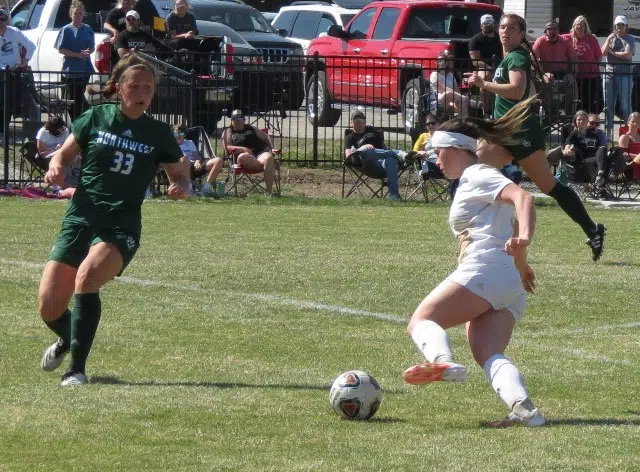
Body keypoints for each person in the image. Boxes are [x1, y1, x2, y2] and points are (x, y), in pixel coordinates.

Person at [37, 53, 190, 386]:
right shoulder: (96, 117)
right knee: (49, 306)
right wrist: (56, 167)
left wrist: (180, 185)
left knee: (87, 278)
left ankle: (76, 369)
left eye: (148, 87)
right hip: (80, 217)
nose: (142, 92)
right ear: (119, 87)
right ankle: (68, 338)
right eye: (134, 85)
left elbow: (179, 171)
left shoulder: (158, 132)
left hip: (121, 225)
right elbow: (64, 153)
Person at [402, 96, 545, 427]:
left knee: (421, 321)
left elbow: (522, 197)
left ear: (454, 148)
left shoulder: (478, 174)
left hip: (486, 268)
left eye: (438, 152)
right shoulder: (475, 178)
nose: (434, 159)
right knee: (487, 351)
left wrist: (524, 239)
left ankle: (442, 361)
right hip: (508, 280)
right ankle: (525, 410)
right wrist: (521, 262)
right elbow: (508, 223)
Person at [466, 13, 606, 261]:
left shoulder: (517, 56)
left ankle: (592, 229)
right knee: (480, 165)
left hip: (520, 132)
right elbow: (528, 91)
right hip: (506, 129)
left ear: (522, 34)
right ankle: (492, 234)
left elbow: (518, 89)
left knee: (548, 186)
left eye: (511, 27)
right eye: (501, 27)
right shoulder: (510, 57)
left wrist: (484, 84)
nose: (504, 31)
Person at [344, 111, 414, 200]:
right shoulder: (349, 138)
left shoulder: (373, 131)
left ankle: (393, 196)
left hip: (380, 164)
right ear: (351, 123)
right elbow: (348, 156)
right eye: (355, 120)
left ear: (365, 122)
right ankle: (400, 154)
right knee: (368, 151)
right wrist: (363, 148)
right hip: (366, 164)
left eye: (360, 119)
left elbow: (383, 148)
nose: (357, 121)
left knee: (391, 160)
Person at [55, 1, 95, 121]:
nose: (78, 16)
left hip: (84, 69)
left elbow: (92, 47)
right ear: (70, 14)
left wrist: (88, 52)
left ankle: (82, 121)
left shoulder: (88, 29)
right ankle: (78, 122)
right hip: (70, 70)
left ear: (84, 15)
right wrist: (77, 55)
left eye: (80, 13)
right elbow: (60, 49)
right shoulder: (66, 29)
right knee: (72, 100)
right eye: (75, 13)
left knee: (79, 98)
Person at [221, 109, 277, 195]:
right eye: (235, 118)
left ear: (244, 120)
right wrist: (243, 149)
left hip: (259, 153)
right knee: (243, 157)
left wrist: (272, 149)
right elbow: (227, 147)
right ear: (231, 120)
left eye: (240, 118)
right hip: (242, 157)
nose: (237, 120)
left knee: (269, 157)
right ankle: (266, 166)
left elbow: (266, 137)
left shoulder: (251, 128)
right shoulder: (228, 131)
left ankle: (268, 193)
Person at [0, 8, 36, 133]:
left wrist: (24, 61)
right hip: (1, 73)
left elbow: (31, 46)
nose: (1, 22)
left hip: (15, 73)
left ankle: (4, 130)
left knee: (10, 102)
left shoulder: (14, 32)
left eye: (3, 19)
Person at [532, 20, 577, 114]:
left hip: (562, 72)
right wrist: (539, 70)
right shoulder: (540, 41)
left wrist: (573, 71)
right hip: (545, 72)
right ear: (545, 31)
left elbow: (573, 58)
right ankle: (550, 111)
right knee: (549, 79)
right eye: (549, 29)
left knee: (571, 81)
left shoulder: (565, 41)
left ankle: (569, 112)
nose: (552, 31)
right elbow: (533, 58)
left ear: (558, 31)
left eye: (554, 29)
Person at [602, 16, 635, 139]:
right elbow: (602, 53)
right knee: (608, 105)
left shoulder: (630, 39)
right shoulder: (611, 38)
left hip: (624, 75)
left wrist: (612, 52)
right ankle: (608, 131)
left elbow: (627, 54)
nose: (619, 27)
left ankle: (630, 132)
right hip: (609, 74)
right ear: (614, 26)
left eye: (622, 25)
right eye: (617, 25)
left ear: (626, 26)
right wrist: (608, 39)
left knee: (625, 105)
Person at [561, 16, 602, 115]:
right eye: (577, 25)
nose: (579, 27)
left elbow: (599, 57)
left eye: (582, 25)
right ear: (573, 26)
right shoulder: (566, 38)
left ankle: (587, 126)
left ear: (585, 27)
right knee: (574, 103)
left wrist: (592, 66)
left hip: (590, 76)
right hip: (574, 77)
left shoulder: (592, 39)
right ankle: (575, 125)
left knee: (588, 103)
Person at [173, 122, 224, 196]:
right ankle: (188, 191)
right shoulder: (171, 145)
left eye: (180, 133)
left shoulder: (189, 143)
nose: (178, 136)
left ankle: (206, 189)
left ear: (184, 135)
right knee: (185, 158)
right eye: (176, 134)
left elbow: (196, 156)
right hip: (181, 167)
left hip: (195, 167)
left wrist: (197, 162)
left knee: (218, 160)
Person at [36, 117, 80, 198]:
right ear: (53, 128)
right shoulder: (43, 132)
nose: (62, 130)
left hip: (63, 153)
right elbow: (41, 153)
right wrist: (55, 148)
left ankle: (73, 181)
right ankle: (59, 187)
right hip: (48, 156)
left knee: (76, 155)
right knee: (60, 158)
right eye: (60, 128)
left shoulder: (65, 131)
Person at [469, 14, 502, 115]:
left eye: (489, 23)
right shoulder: (475, 40)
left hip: (500, 66)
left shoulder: (499, 38)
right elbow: (475, 61)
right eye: (485, 24)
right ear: (481, 26)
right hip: (482, 68)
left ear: (493, 25)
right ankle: (486, 110)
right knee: (485, 76)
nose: (487, 25)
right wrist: (491, 68)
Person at [430, 51, 469, 117]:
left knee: (461, 105)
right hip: (438, 99)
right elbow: (443, 89)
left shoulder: (450, 75)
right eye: (439, 60)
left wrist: (461, 98)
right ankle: (470, 102)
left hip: (451, 100)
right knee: (448, 93)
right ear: (437, 63)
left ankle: (463, 124)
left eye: (444, 60)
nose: (442, 62)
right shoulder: (434, 75)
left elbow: (457, 90)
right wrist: (462, 97)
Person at [618, 112, 640, 180]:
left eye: (637, 122)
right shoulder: (624, 137)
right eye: (633, 121)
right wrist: (638, 156)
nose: (635, 124)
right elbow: (623, 155)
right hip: (630, 167)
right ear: (628, 123)